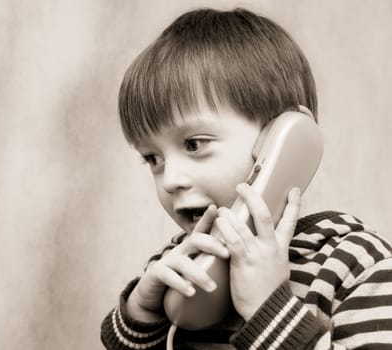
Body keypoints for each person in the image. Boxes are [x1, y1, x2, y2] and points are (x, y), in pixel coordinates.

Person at [100, 7, 392, 349]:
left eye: (194, 144)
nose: (170, 180)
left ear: (282, 139)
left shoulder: (356, 265)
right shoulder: (182, 261)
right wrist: (141, 312)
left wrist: (269, 311)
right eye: (153, 159)